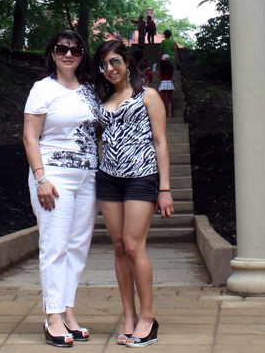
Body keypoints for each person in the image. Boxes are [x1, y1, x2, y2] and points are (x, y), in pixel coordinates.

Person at [93, 40, 174, 348]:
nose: (110, 69)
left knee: (133, 245)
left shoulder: (147, 95)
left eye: (115, 62)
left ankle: (147, 318)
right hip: (109, 178)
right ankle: (128, 316)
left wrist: (164, 188)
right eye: (104, 65)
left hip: (142, 177)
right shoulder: (104, 99)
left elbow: (161, 142)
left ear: (127, 63)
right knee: (117, 247)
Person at [23, 30, 98, 348]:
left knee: (77, 246)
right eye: (61, 49)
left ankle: (67, 311)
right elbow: (30, 136)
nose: (69, 54)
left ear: (83, 55)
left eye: (76, 49)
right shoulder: (43, 89)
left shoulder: (91, 90)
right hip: (54, 178)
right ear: (52, 53)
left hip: (87, 178)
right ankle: (52, 315)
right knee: (54, 245)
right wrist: (40, 178)